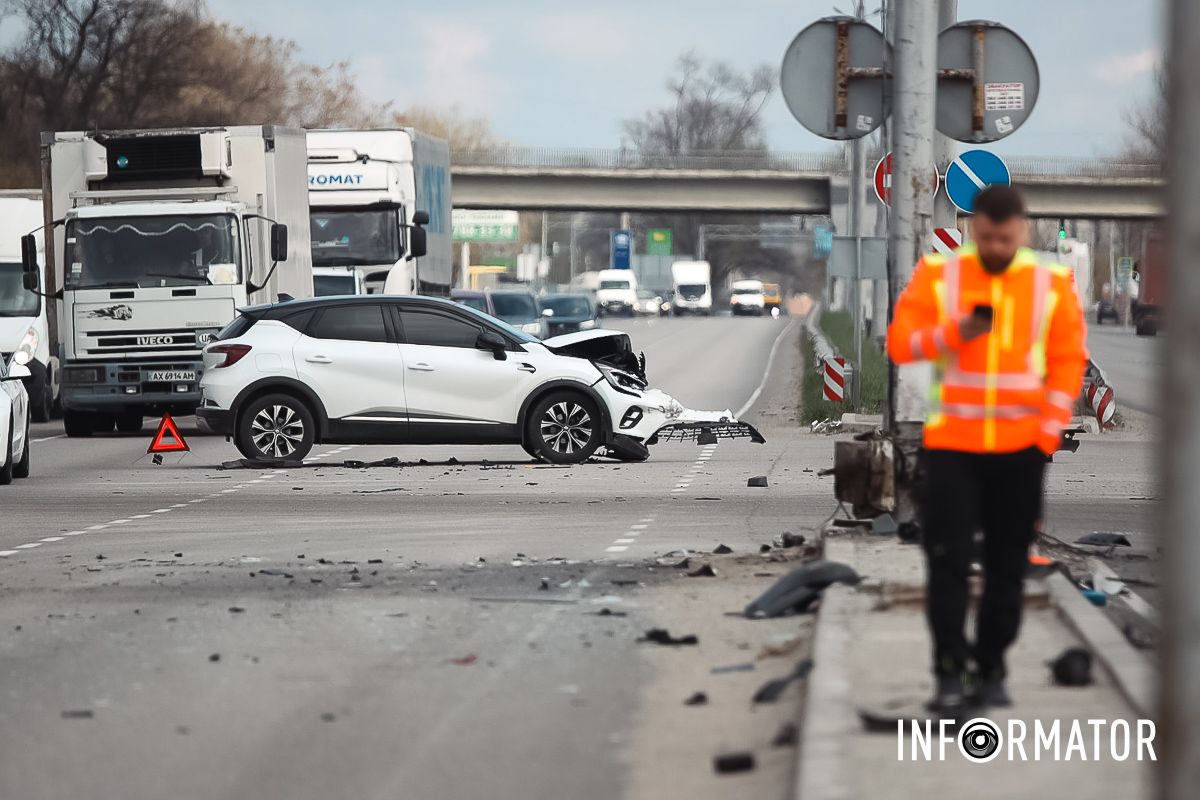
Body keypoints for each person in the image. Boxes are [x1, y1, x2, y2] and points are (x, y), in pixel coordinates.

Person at [887, 185, 1088, 713]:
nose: (997, 245)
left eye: (1007, 236)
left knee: (1006, 565)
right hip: (953, 444)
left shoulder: (1050, 283)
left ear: (1021, 230)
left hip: (1021, 448)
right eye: (988, 235)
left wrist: (1049, 431)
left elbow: (1068, 361)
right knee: (947, 560)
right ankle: (950, 671)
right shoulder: (940, 275)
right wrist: (955, 332)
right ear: (974, 228)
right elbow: (901, 342)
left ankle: (992, 669)